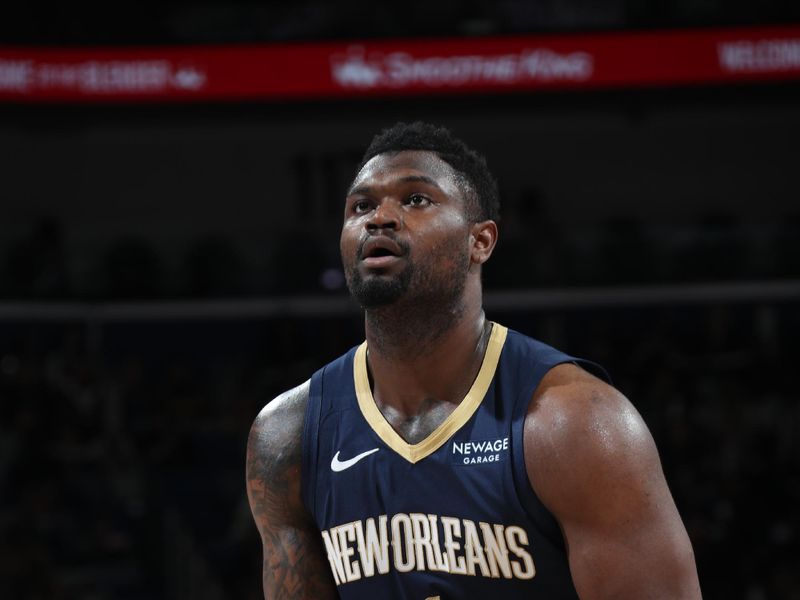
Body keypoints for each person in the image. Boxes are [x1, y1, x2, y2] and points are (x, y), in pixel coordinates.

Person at [246, 121, 702, 599]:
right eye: (361, 206)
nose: (379, 218)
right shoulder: (288, 436)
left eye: (415, 199)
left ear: (480, 241)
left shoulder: (577, 423)